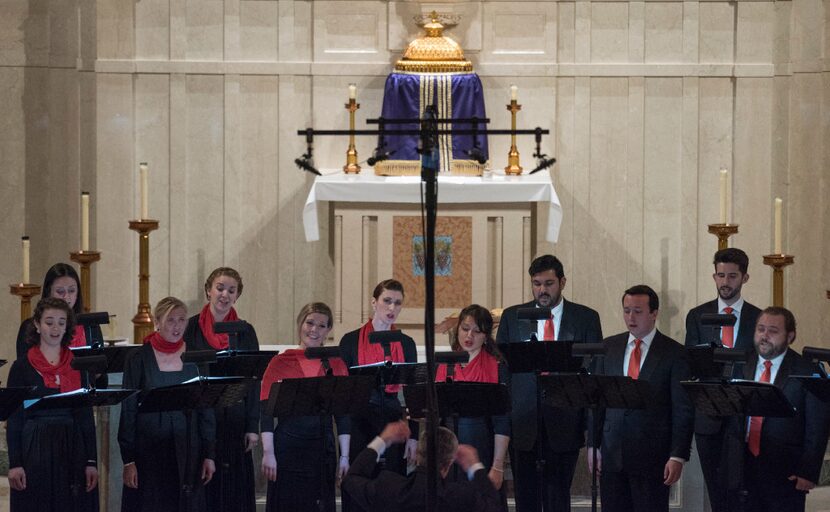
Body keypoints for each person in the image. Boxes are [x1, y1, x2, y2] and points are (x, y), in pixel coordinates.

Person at [495, 254, 603, 512]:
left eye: (549, 283)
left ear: (562, 282)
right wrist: (506, 422)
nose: (542, 290)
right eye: (536, 283)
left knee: (557, 499)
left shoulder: (586, 318)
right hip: (523, 423)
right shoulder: (513, 317)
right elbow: (503, 374)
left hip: (565, 421)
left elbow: (593, 374)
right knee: (525, 499)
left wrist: (592, 433)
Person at [587, 285, 694, 512]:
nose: (630, 317)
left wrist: (678, 455)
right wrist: (593, 445)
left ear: (654, 313)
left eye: (637, 311)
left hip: (652, 456)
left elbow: (682, 408)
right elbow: (597, 401)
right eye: (626, 311)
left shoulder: (674, 353)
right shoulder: (608, 347)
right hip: (612, 452)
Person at [725, 307, 830, 512]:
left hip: (785, 470)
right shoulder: (740, 363)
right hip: (741, 465)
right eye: (760, 329)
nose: (764, 336)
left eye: (773, 331)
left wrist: (808, 471)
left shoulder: (807, 370)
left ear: (790, 336)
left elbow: (818, 426)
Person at [118, 297, 216, 512]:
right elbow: (128, 410)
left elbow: (206, 410)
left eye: (182, 319)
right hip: (149, 454)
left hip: (188, 452)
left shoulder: (197, 358)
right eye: (171, 320)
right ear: (157, 322)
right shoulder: (138, 358)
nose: (177, 326)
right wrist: (128, 460)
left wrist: (209, 454)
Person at [684, 247, 762, 511]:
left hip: (745, 415)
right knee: (717, 493)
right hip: (709, 417)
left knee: (746, 491)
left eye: (731, 276)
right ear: (713, 276)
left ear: (745, 278)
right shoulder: (697, 316)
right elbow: (691, 363)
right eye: (720, 276)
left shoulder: (757, 318)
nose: (725, 282)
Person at [6, 297, 99, 512]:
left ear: (67, 327)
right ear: (37, 325)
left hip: (72, 446)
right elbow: (15, 418)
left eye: (61, 322)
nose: (55, 328)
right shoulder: (21, 367)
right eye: (49, 322)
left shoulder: (77, 364)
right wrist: (15, 463)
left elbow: (84, 415)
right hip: (35, 447)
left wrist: (91, 461)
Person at [259, 302, 351, 512]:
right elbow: (265, 412)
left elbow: (343, 416)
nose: (314, 330)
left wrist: (345, 457)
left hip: (322, 450)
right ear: (300, 323)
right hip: (287, 448)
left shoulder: (335, 363)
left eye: (321, 325)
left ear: (328, 330)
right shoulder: (280, 362)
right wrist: (268, 452)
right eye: (310, 323)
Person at [338, 279, 418, 512]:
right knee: (359, 485)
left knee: (393, 488)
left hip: (393, 418)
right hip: (359, 420)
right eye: (387, 301)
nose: (392, 308)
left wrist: (413, 435)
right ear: (374, 302)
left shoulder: (406, 342)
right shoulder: (350, 341)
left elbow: (413, 392)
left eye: (397, 303)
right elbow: (344, 393)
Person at [183, 267, 259, 512]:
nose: (224, 294)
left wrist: (252, 426)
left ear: (237, 296)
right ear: (208, 290)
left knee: (235, 490)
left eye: (231, 290)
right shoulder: (190, 328)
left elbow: (253, 380)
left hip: (235, 420)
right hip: (202, 419)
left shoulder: (245, 331)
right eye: (220, 288)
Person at [434, 304, 510, 510]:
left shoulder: (496, 366)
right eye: (465, 328)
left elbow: (502, 421)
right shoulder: (444, 363)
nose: (469, 335)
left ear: (486, 336)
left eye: (476, 331)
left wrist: (497, 466)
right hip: (448, 452)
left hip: (482, 446)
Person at [341, 421, 503, 512]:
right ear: (449, 463)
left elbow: (351, 479)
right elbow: (495, 507)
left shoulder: (388, 488)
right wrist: (474, 466)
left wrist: (383, 439)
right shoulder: (461, 497)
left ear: (418, 455)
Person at [15, 262, 103, 359]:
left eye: (71, 290)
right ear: (49, 292)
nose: (66, 297)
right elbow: (24, 368)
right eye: (60, 291)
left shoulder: (91, 325)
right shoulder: (29, 327)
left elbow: (101, 369)